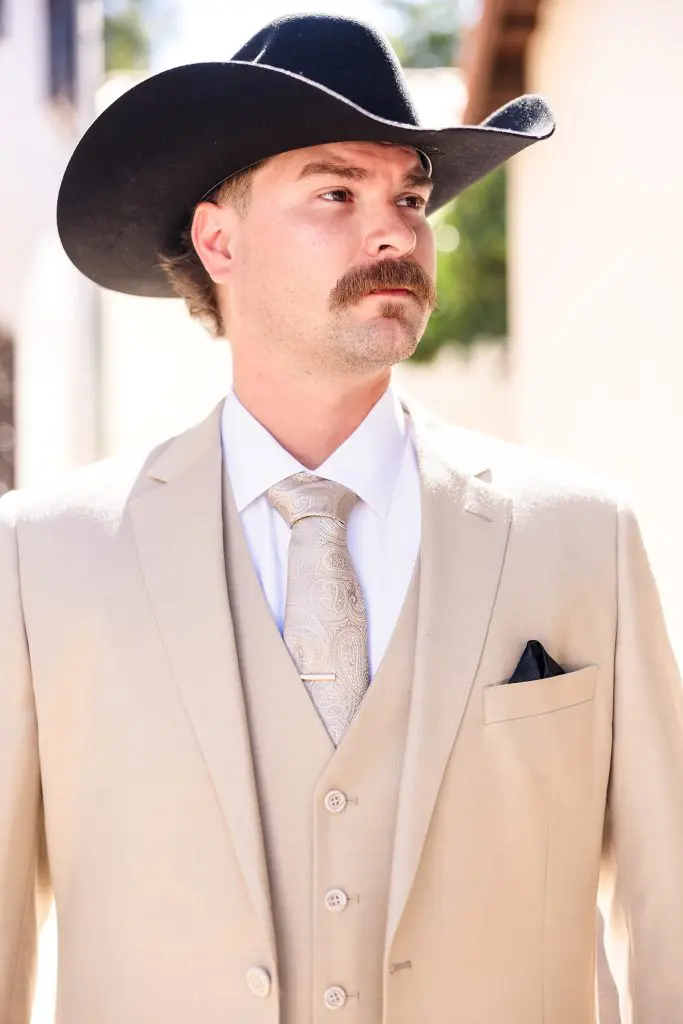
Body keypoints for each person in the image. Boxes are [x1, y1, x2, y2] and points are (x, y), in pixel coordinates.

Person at [2, 12, 682, 1024]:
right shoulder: (41, 560)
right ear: (218, 241)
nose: (395, 230)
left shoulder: (578, 536)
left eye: (409, 196)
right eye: (336, 193)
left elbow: (667, 913)